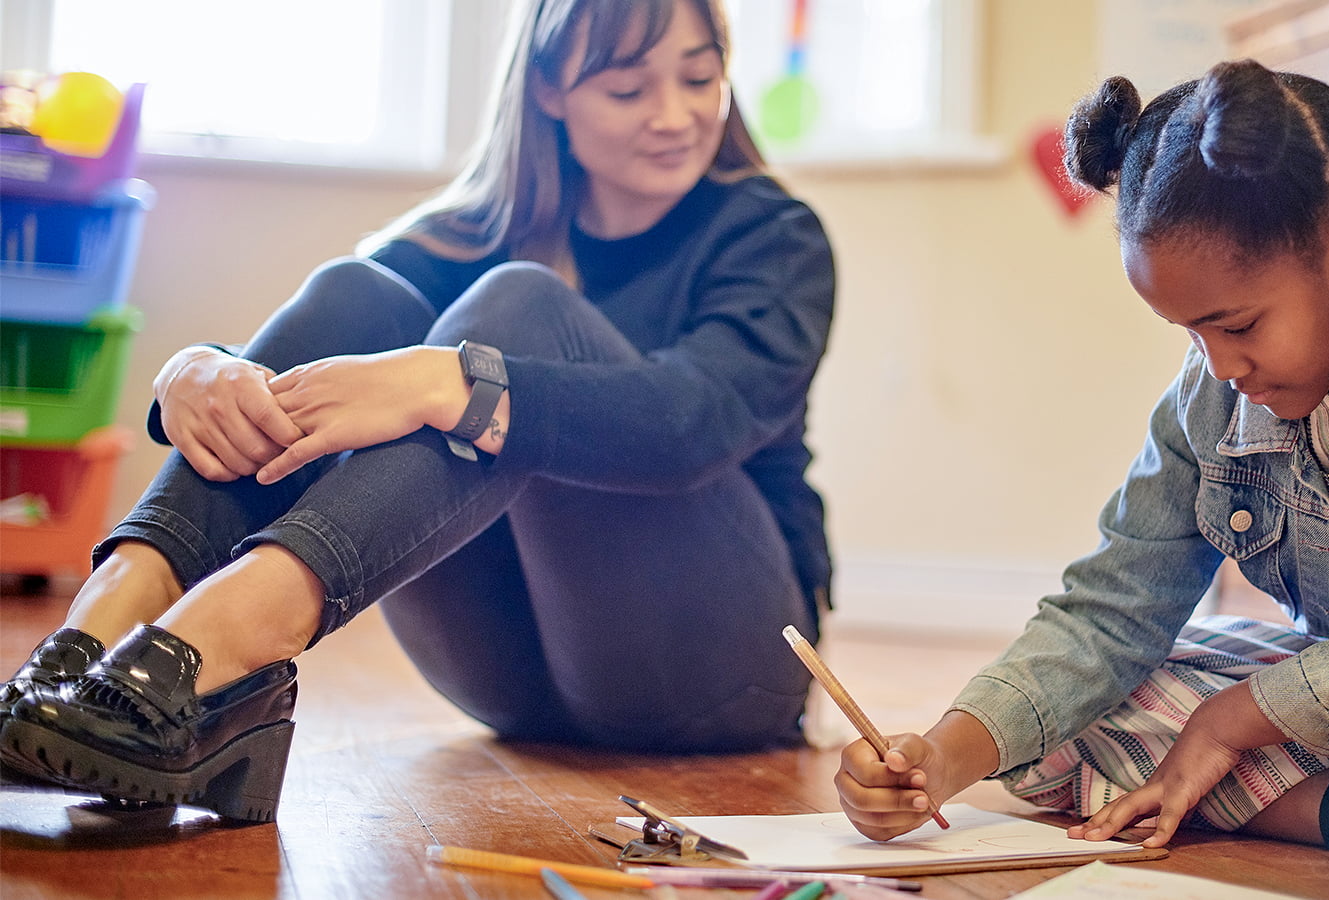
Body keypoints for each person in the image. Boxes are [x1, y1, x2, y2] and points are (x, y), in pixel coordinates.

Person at [0, 0, 834, 823]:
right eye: (628, 90)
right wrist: (198, 369)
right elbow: (327, 342)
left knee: (515, 313)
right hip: (507, 675)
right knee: (358, 293)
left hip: (720, 674)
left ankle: (231, 636)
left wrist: (454, 386)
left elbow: (693, 421)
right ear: (548, 90)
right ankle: (96, 629)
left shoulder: (772, 237)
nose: (677, 115)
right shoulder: (470, 231)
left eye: (702, 77)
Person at [831, 60, 1329, 893]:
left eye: (1235, 325)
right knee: (1075, 713)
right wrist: (939, 759)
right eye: (1189, 334)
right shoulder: (1214, 392)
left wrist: (1237, 720)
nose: (1219, 366)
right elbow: (1109, 611)